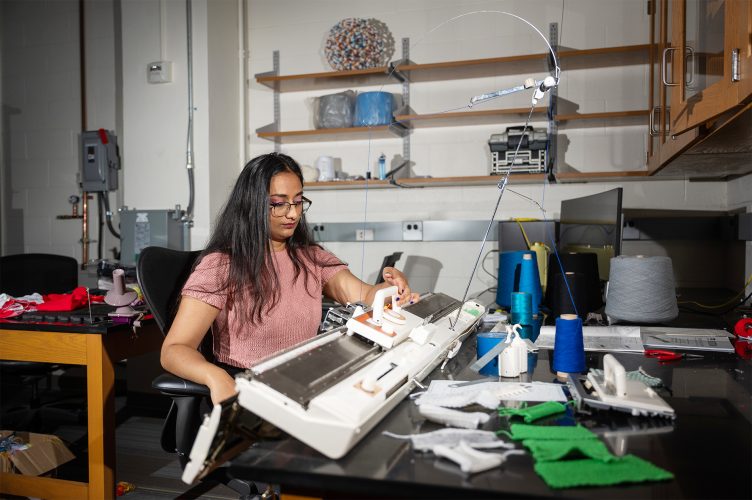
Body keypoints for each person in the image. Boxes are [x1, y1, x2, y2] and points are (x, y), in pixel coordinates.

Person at [161, 152, 419, 404]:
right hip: (252, 388)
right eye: (280, 203)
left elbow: (365, 296)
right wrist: (214, 376)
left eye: (298, 201)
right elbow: (175, 349)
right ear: (252, 204)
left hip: (304, 381)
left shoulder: (310, 258)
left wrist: (391, 289)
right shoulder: (221, 266)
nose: (293, 213)